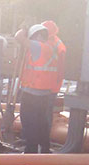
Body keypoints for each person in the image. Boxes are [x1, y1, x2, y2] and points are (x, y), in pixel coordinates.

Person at [15, 22, 66, 153]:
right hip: (45, 92)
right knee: (42, 123)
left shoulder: (39, 47)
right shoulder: (51, 47)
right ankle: (44, 149)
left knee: (29, 122)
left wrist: (23, 29)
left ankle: (31, 151)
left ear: (36, 36)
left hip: (32, 93)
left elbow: (18, 37)